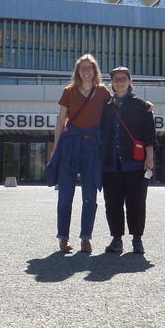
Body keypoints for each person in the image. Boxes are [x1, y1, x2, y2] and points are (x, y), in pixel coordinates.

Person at [48, 54, 111, 253]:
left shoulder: (102, 92)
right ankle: (63, 238)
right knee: (65, 195)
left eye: (89, 68)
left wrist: (145, 107)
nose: (86, 71)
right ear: (77, 71)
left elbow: (118, 109)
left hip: (93, 147)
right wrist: (56, 148)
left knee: (90, 196)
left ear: (95, 71)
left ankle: (86, 237)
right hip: (70, 145)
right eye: (82, 68)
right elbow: (61, 121)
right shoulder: (68, 91)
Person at [100, 67, 156, 254]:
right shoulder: (106, 106)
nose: (120, 82)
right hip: (111, 163)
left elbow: (149, 134)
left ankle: (137, 239)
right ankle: (116, 239)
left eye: (123, 79)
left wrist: (150, 156)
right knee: (112, 202)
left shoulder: (141, 105)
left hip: (135, 162)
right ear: (112, 82)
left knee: (137, 202)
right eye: (116, 79)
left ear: (130, 81)